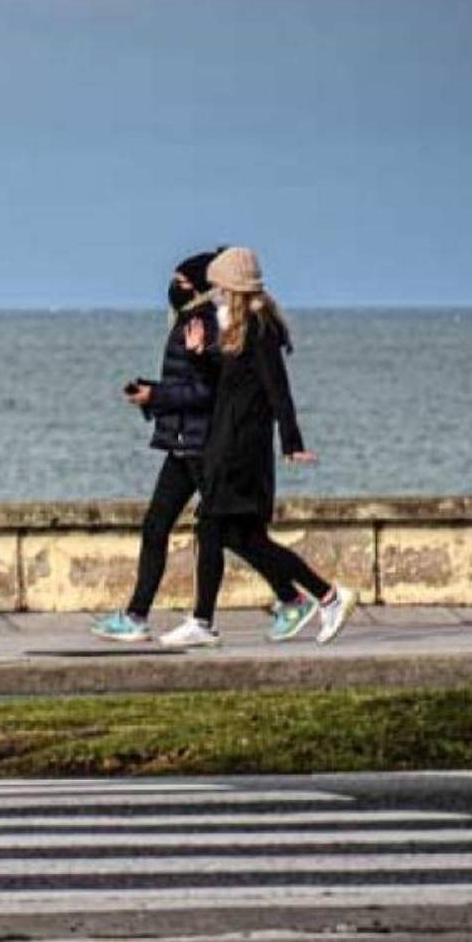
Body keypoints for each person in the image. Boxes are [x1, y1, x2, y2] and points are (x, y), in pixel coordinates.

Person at [158, 246, 355, 648]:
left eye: (217, 286)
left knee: (221, 530)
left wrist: (292, 440)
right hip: (225, 444)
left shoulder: (259, 327)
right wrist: (199, 356)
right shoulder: (234, 325)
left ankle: (323, 597)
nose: (212, 293)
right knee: (230, 535)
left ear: (233, 286)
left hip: (241, 450)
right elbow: (227, 383)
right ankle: (211, 619)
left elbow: (276, 389)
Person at [90, 248, 224, 643]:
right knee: (156, 526)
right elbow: (186, 387)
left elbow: (206, 391)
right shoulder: (186, 321)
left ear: (199, 286)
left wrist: (156, 396)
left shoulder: (205, 325)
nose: (174, 288)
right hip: (181, 446)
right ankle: (137, 615)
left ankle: (286, 599)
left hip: (202, 446)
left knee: (225, 534)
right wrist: (153, 395)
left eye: (181, 283)